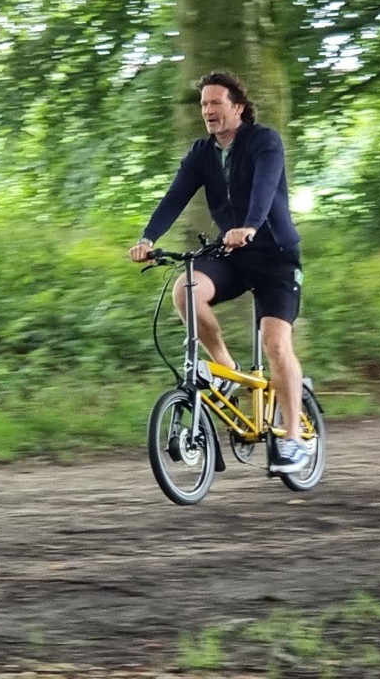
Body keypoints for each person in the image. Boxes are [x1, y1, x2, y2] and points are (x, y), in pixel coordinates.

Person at [128, 71, 309, 474]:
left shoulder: (264, 141)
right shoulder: (202, 153)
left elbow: (264, 189)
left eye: (216, 103)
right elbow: (175, 196)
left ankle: (294, 440)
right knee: (186, 289)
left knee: (275, 343)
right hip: (232, 253)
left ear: (238, 107)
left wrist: (250, 226)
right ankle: (226, 370)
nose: (208, 111)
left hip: (275, 256)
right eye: (204, 104)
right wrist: (148, 238)